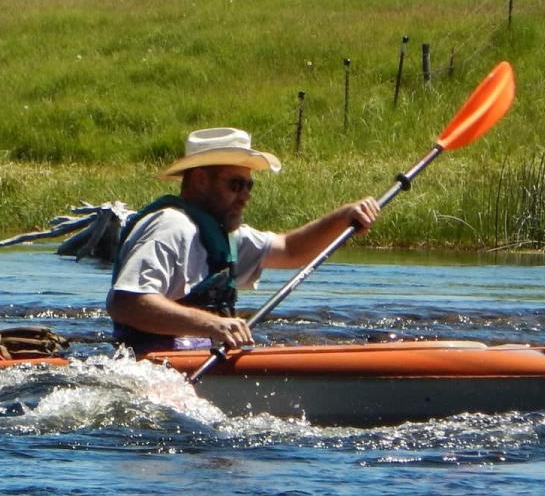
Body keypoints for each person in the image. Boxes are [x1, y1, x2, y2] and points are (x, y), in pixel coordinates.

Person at [106, 127, 381, 354]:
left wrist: (343, 218)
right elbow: (126, 303)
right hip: (152, 369)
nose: (246, 195)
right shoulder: (169, 226)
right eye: (235, 185)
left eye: (250, 185)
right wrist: (214, 324)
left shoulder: (227, 236)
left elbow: (290, 250)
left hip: (198, 359)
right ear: (201, 180)